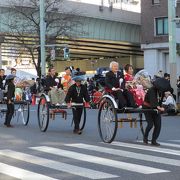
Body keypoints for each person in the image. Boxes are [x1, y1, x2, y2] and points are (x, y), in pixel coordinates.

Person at [142, 79, 165, 146]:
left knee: (158, 125)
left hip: (156, 108)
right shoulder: (152, 90)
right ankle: (145, 137)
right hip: (147, 108)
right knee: (150, 124)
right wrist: (158, 107)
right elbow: (153, 100)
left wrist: (161, 107)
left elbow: (160, 101)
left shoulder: (161, 91)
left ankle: (154, 140)